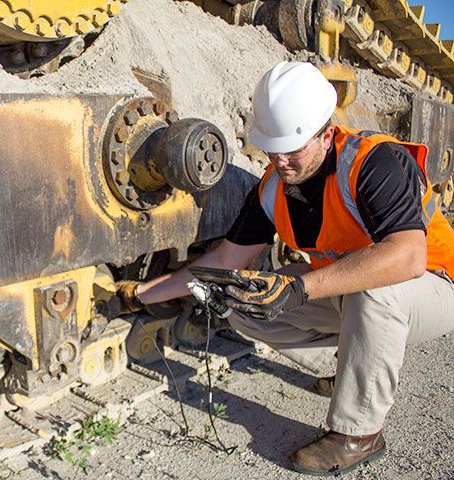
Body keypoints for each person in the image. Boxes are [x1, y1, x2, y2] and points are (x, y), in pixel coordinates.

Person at [116, 61, 454, 476]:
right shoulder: (273, 187)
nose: (281, 161)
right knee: (240, 295)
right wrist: (140, 295)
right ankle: (355, 366)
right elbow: (224, 262)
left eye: (293, 150)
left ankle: (359, 433)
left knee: (375, 289)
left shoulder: (374, 162)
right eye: (272, 150)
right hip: (352, 295)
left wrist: (299, 289)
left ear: (326, 134)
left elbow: (407, 256)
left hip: (431, 286)